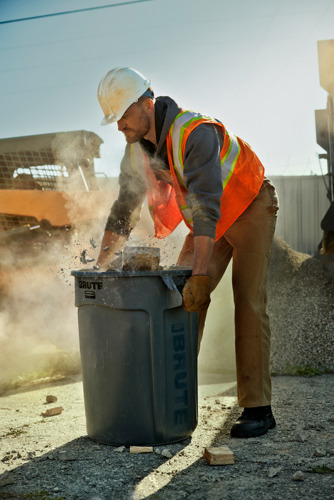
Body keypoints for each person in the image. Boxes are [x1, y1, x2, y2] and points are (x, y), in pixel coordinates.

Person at [95, 66, 279, 438]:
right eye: (113, 120)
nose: (118, 127)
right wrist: (99, 271)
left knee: (247, 300)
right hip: (208, 221)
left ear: (146, 104)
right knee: (181, 300)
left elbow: (206, 207)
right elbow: (122, 211)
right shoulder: (135, 153)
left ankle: (258, 408)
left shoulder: (195, 132)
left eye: (123, 116)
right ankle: (171, 396)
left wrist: (200, 275)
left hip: (249, 205)